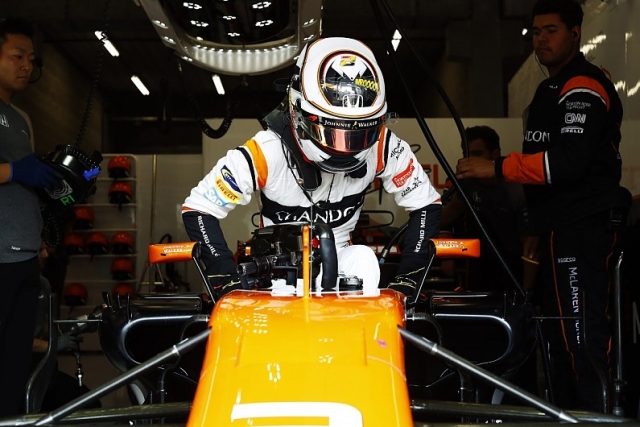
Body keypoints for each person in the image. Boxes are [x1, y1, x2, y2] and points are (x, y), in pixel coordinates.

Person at [455, 0, 631, 411]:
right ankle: (569, 415)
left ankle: (599, 418)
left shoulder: (584, 85)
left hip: (584, 229)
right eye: (536, 32)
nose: (540, 40)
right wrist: (536, 223)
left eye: (551, 30)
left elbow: (568, 163)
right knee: (556, 340)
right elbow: (545, 171)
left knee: (581, 337)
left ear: (576, 33)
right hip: (557, 230)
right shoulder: (547, 91)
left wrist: (497, 167)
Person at [182, 37, 442, 298]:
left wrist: (410, 278)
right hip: (279, 274)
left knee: (364, 259)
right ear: (297, 112)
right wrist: (225, 280)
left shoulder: (383, 145)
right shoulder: (266, 151)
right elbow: (199, 207)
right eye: (332, 132)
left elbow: (426, 204)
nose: (345, 148)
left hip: (342, 263)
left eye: (358, 135)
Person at [0, 18, 62, 417]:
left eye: (31, 59)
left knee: (15, 361)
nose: (27, 65)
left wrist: (38, 233)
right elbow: (14, 174)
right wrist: (13, 171)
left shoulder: (20, 118)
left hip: (23, 256)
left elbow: (26, 187)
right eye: (17, 56)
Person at [440, 125, 528, 293]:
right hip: (480, 266)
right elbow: (448, 214)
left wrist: (527, 291)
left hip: (516, 265)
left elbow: (530, 245)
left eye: (477, 154)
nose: (471, 160)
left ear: (495, 154)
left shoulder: (516, 186)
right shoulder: (467, 182)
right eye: (467, 154)